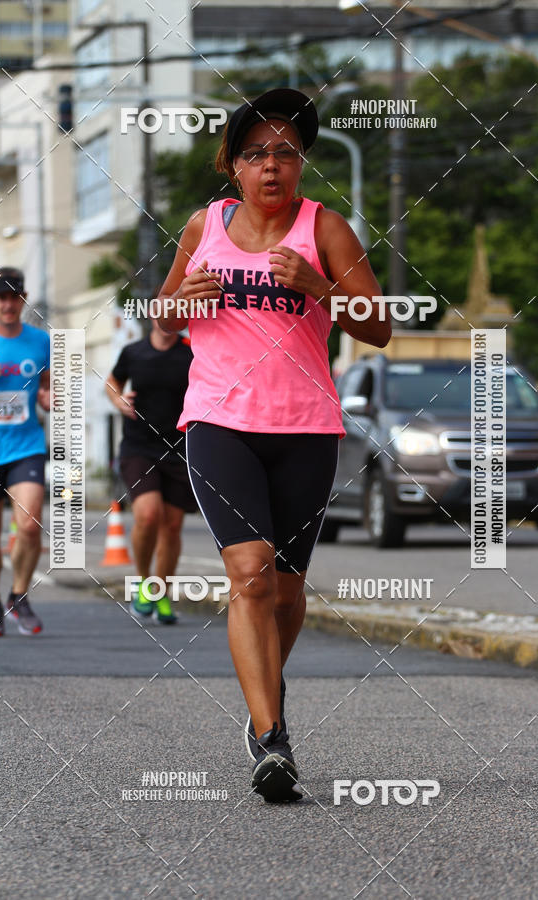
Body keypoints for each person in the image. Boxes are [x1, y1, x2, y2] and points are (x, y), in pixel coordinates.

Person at [152, 88, 391, 802]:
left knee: (286, 590)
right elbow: (164, 320)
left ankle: (265, 692)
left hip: (306, 428)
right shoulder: (204, 227)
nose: (273, 166)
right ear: (232, 165)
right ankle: (270, 735)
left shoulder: (326, 229)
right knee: (250, 573)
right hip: (221, 422)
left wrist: (320, 287)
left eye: (287, 152)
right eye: (257, 152)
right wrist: (181, 299)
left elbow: (377, 328)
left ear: (301, 165)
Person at [105, 315, 197, 625]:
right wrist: (119, 401)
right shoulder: (134, 352)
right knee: (147, 514)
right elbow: (112, 382)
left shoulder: (192, 351)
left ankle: (161, 593)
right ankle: (145, 583)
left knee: (171, 527)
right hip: (139, 447)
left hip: (180, 449)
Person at [0, 267, 50, 638]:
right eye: (1, 297)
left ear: (22, 300)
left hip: (27, 446)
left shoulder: (41, 341)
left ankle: (18, 594)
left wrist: (49, 398)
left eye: (15, 297)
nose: (9, 304)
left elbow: (50, 388)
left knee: (29, 523)